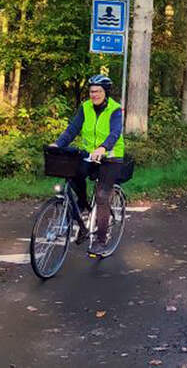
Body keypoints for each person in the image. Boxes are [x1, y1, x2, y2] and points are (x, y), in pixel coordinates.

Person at [51, 75, 124, 256]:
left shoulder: (115, 109)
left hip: (110, 158)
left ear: (105, 92)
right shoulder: (85, 108)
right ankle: (82, 211)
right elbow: (72, 129)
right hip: (89, 156)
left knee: (102, 196)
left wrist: (103, 147)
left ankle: (100, 240)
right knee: (73, 175)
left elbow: (115, 132)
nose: (94, 94)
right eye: (92, 91)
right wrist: (58, 144)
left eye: (98, 91)